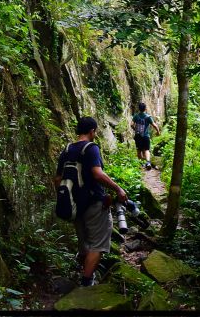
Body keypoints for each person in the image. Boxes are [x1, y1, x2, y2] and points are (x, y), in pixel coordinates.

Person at [55, 116, 128, 287]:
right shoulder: (91, 148)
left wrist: (67, 198)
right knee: (98, 244)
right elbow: (97, 173)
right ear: (92, 131)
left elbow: (58, 180)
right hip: (94, 204)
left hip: (74, 206)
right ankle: (87, 282)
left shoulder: (66, 150)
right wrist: (118, 189)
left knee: (84, 244)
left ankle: (86, 273)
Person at [132, 102, 160, 170]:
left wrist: (135, 129)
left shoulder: (136, 116)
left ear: (139, 109)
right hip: (145, 136)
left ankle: (141, 165)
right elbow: (154, 125)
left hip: (138, 136)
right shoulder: (148, 117)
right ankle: (148, 163)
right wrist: (158, 131)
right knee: (147, 150)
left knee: (139, 150)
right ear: (145, 108)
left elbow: (131, 124)